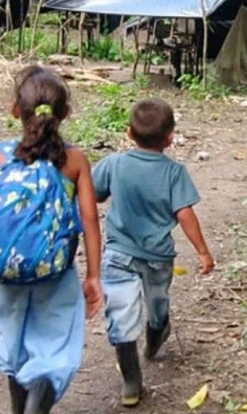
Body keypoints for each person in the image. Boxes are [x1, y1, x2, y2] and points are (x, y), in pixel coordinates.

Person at [0, 66, 103, 414]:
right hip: (54, 271)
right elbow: (90, 220)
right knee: (55, 343)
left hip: (5, 272)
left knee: (14, 341)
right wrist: (93, 275)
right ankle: (41, 391)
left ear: (16, 110)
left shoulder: (0, 155)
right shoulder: (74, 160)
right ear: (65, 113)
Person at [92, 98, 215, 407]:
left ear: (129, 132)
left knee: (120, 315)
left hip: (118, 254)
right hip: (158, 258)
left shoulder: (114, 163)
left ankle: (131, 379)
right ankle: (155, 336)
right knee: (157, 304)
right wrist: (202, 252)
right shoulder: (174, 173)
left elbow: (93, 193)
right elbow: (185, 214)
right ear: (170, 138)